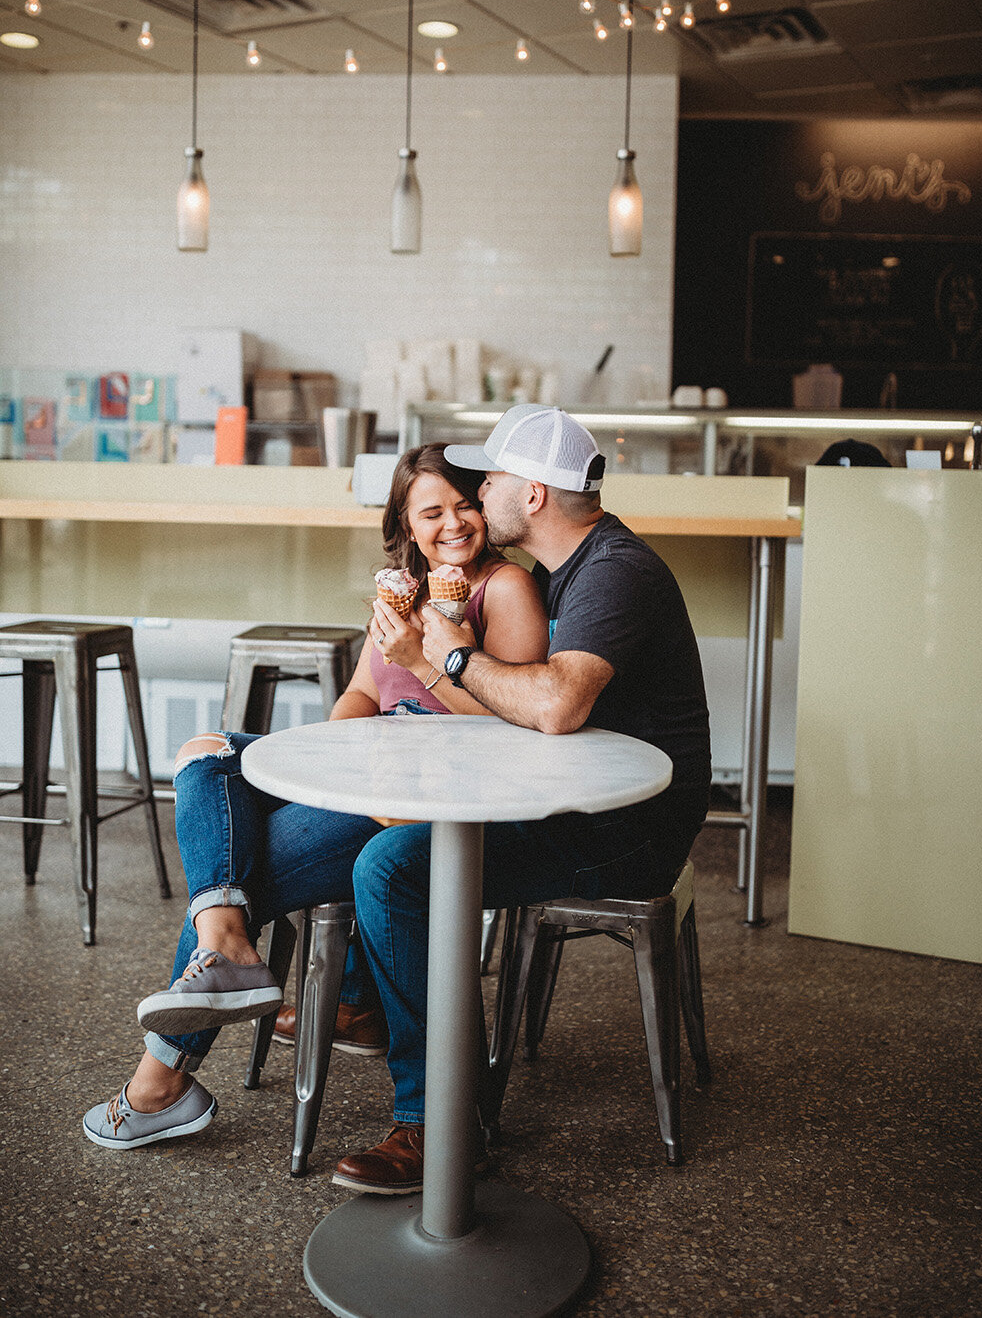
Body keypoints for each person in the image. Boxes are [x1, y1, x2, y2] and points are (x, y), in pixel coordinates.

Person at [83, 443, 549, 1150]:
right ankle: (224, 939)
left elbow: (511, 722)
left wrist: (426, 658)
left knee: (250, 868)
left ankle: (162, 1080)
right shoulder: (405, 592)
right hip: (369, 775)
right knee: (205, 755)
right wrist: (333, 759)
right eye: (431, 511)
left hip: (420, 801)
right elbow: (364, 692)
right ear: (405, 523)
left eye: (463, 504)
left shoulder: (505, 589)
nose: (453, 522)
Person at [332, 403, 711, 1195]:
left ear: (533, 494)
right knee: (349, 844)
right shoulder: (559, 573)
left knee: (393, 869)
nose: (484, 490)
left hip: (630, 827)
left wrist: (447, 657)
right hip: (569, 798)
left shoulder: (615, 570)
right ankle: (327, 990)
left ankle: (441, 1128)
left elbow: (555, 706)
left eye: (494, 477)